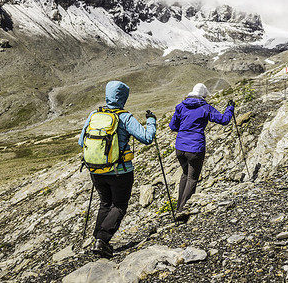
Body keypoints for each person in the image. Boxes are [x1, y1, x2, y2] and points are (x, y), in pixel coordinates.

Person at [78, 80, 156, 258]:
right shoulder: (125, 117)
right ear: (123, 97)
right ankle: (102, 240)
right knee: (119, 205)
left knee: (105, 203)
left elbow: (81, 142)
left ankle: (98, 238)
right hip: (120, 171)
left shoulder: (94, 115)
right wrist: (151, 121)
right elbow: (147, 138)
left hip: (95, 170)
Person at [169, 83, 234, 221]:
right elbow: (224, 120)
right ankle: (182, 211)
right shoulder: (205, 107)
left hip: (180, 148)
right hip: (195, 148)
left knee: (185, 175)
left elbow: (172, 126)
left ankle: (178, 208)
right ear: (203, 96)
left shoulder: (181, 106)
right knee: (192, 178)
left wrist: (185, 129)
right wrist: (230, 108)